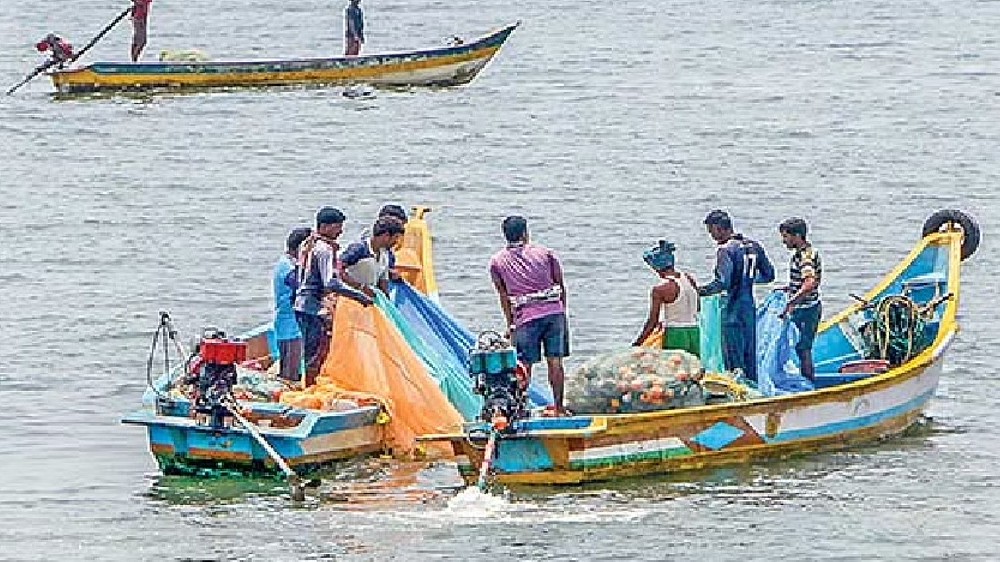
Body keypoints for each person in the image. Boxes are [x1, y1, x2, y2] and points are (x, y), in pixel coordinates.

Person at [489, 216, 570, 415]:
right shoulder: (545, 253)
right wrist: (562, 312)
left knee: (524, 365)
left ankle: (518, 410)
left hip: (525, 317)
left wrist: (511, 324)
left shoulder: (497, 262)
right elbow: (560, 285)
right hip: (554, 312)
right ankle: (559, 407)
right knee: (555, 361)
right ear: (525, 233)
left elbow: (504, 296)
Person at [294, 207, 373, 385]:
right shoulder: (324, 250)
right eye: (338, 227)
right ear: (326, 227)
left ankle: (306, 383)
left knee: (307, 350)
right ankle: (310, 387)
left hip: (300, 304)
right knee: (315, 353)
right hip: (312, 306)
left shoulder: (307, 243)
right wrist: (358, 296)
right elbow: (330, 283)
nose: (340, 232)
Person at [698, 210, 775, 382]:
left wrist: (699, 291)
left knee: (733, 355)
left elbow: (722, 282)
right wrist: (747, 280)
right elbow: (769, 275)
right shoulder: (753, 245)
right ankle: (753, 386)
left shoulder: (725, 250)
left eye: (712, 232)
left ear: (718, 228)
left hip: (732, 306)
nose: (712, 237)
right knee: (750, 352)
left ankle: (739, 391)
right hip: (749, 305)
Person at [631, 240, 701, 356]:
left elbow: (652, 322)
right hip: (694, 332)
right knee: (694, 369)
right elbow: (697, 307)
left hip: (675, 334)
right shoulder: (688, 278)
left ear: (656, 267)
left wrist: (637, 343)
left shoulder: (660, 289)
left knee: (676, 370)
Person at [778, 218, 823, 382]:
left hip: (807, 309)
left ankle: (809, 383)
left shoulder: (805, 257)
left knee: (803, 349)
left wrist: (792, 302)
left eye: (786, 237)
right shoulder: (805, 253)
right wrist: (789, 289)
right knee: (800, 348)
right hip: (806, 306)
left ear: (797, 236)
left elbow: (809, 283)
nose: (784, 241)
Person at [273, 227, 312, 386]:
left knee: (291, 368)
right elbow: (301, 292)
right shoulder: (289, 269)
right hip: (290, 324)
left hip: (288, 322)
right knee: (290, 373)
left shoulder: (287, 263)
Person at [341, 215, 406, 296]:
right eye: (396, 237)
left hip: (368, 299)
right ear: (386, 236)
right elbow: (338, 269)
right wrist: (360, 287)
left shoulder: (385, 254)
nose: (396, 242)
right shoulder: (359, 249)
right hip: (349, 297)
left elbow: (383, 281)